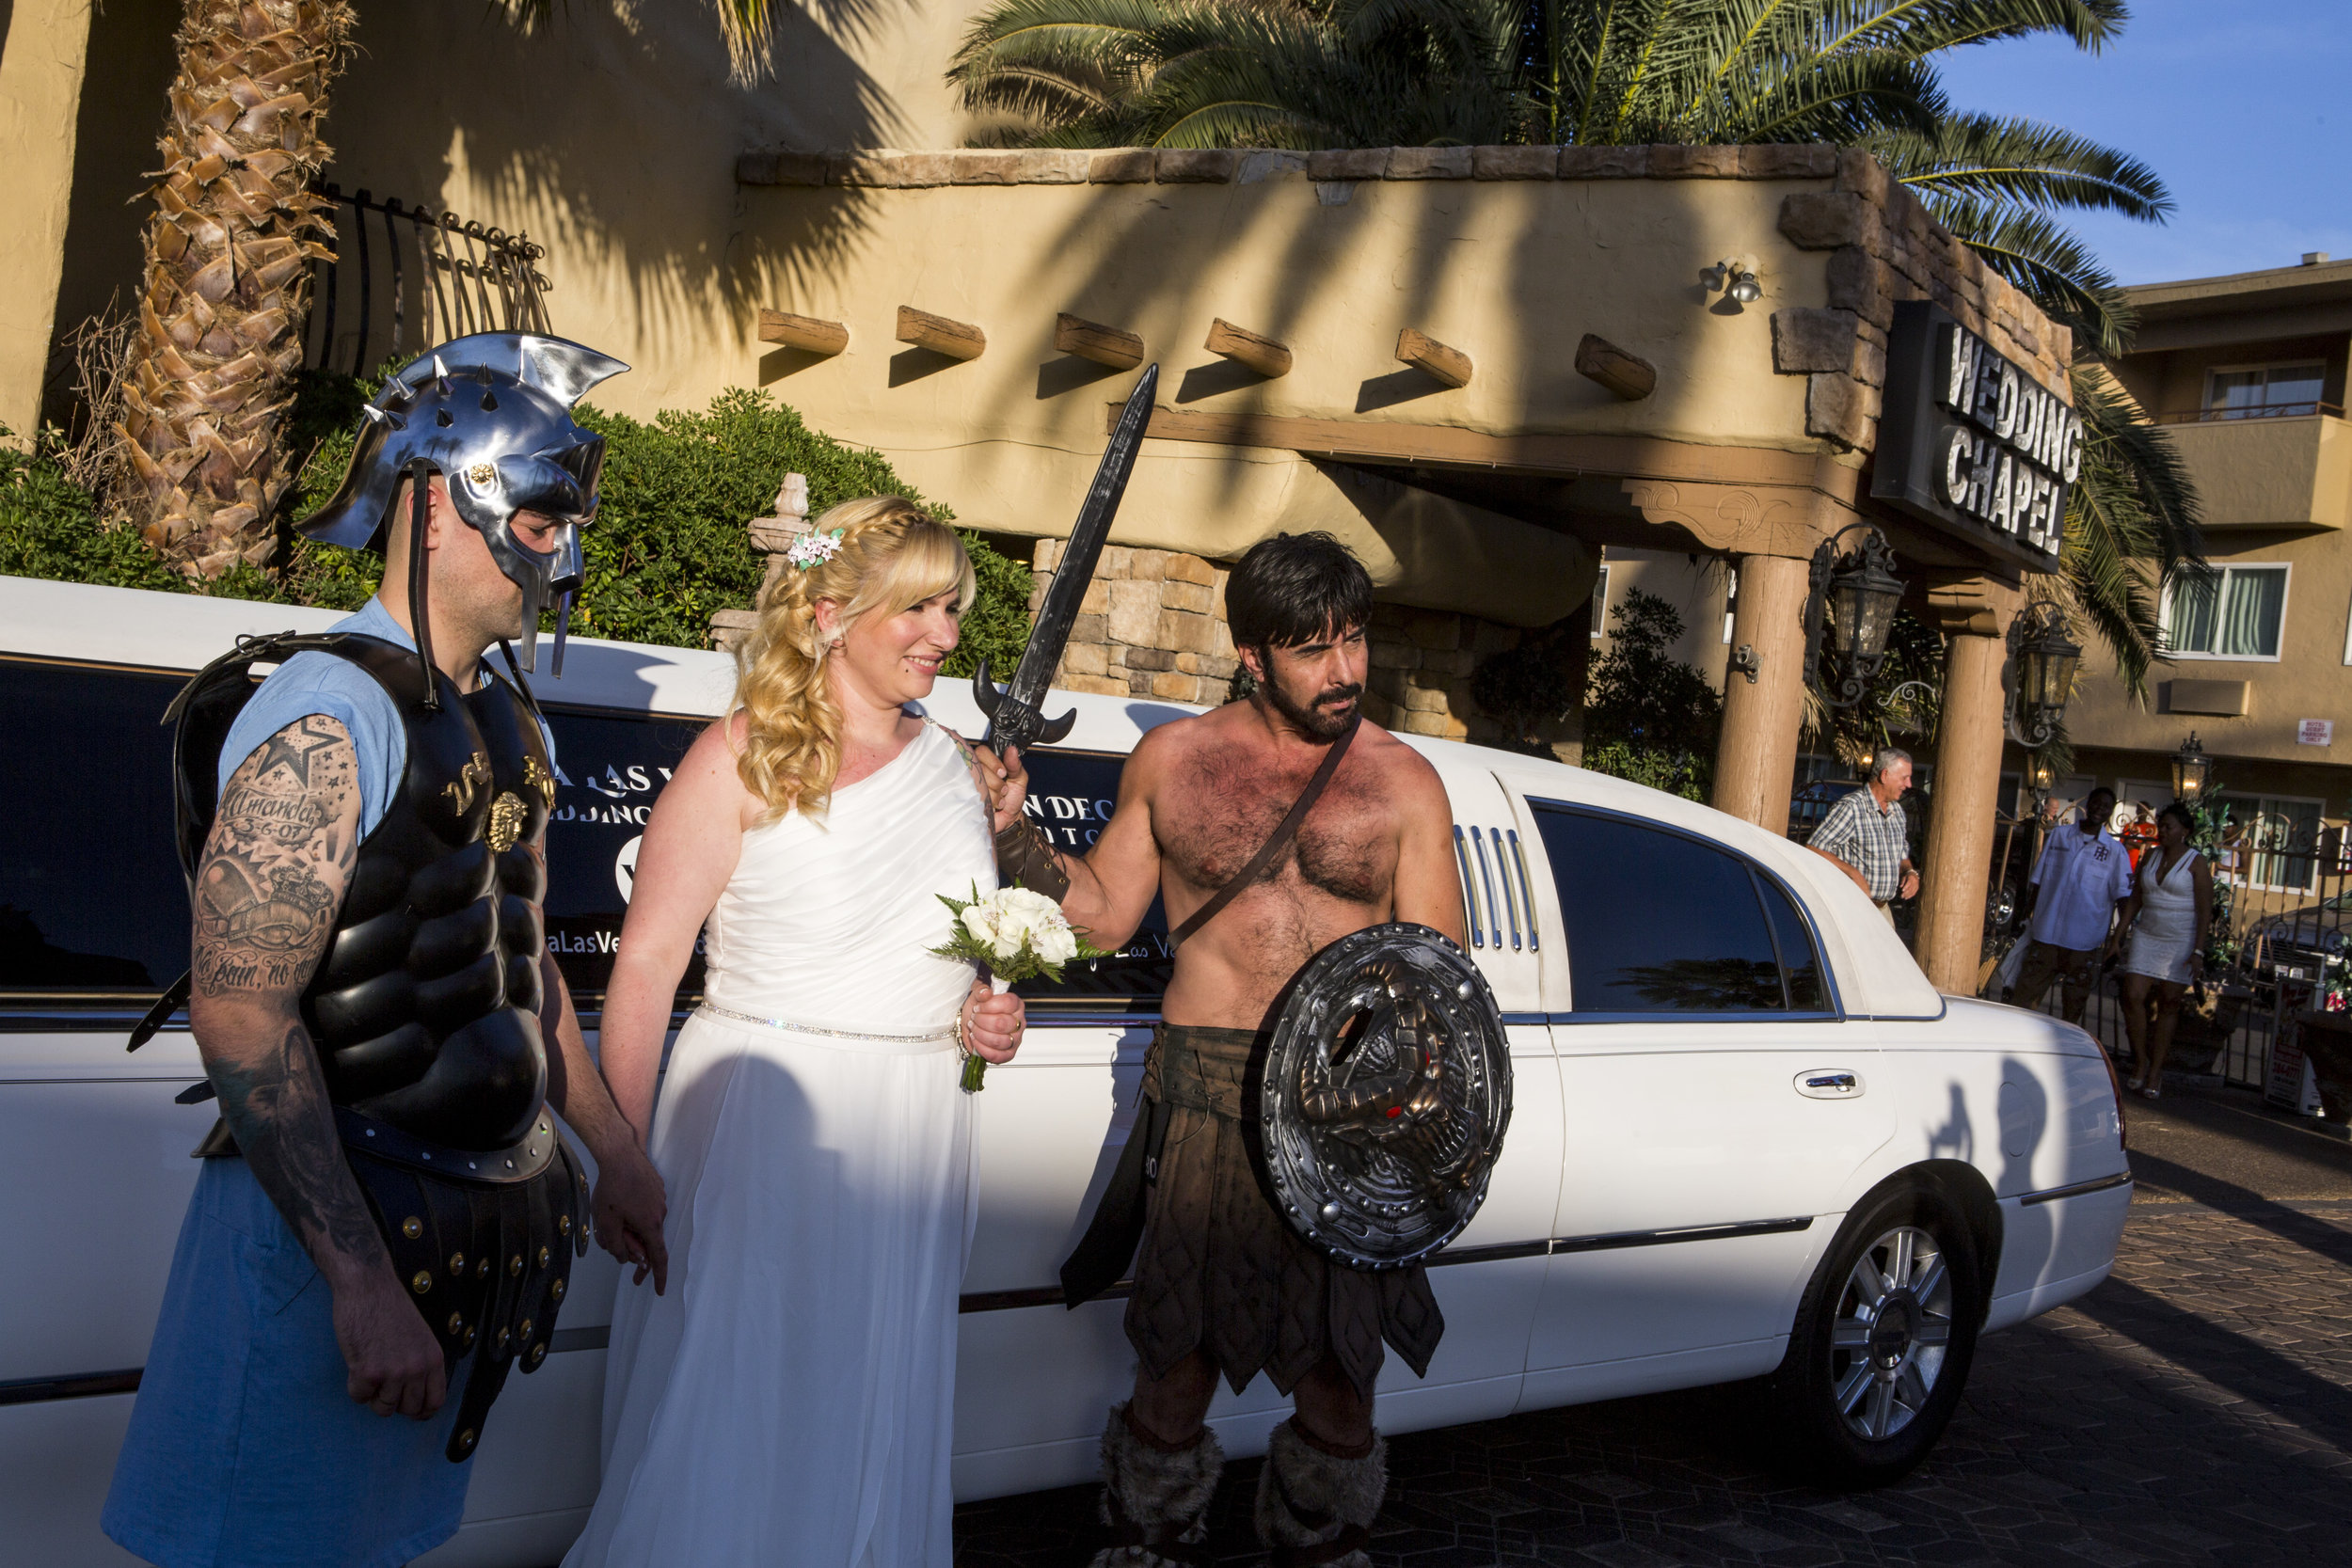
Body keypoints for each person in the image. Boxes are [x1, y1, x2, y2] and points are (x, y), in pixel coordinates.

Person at [104, 334, 668, 1568]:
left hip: (465, 1228)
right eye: (535, 515)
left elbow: (525, 967)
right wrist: (359, 1281)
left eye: (566, 518)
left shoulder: (509, 719)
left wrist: (614, 1148)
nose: (559, 549)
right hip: (330, 1227)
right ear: (436, 497)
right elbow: (243, 1009)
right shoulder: (325, 709)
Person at [977, 531, 1466, 1568]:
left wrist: (1386, 1086)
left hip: (1340, 1115)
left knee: (1340, 1376)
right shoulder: (1174, 761)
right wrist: (1016, 837)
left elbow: (1439, 966)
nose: (1343, 670)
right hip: (1203, 1093)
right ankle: (1147, 1545)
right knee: (1174, 1360)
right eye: (1312, 649)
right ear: (1251, 652)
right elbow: (1106, 914)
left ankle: (1322, 1546)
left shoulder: (1403, 781)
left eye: (1353, 641)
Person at [563, 498, 1025, 1568]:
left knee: (875, 1396)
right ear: (829, 611)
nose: (945, 637)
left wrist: (980, 1016)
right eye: (917, 607)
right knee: (738, 1394)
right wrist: (620, 1153)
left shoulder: (957, 764)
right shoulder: (737, 757)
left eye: (952, 607)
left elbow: (943, 948)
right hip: (758, 1125)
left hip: (912, 1128)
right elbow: (644, 970)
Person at [2112, 800, 2214, 1099]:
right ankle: (2141, 1061)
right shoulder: (2152, 856)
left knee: (2169, 1003)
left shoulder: (2196, 862)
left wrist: (2198, 951)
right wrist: (2118, 937)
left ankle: (2156, 1070)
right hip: (2147, 935)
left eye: (2169, 827)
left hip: (2180, 939)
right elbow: (2135, 900)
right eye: (2161, 826)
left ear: (2185, 831)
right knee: (2132, 996)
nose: (2162, 832)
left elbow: (2205, 911)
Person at [2009, 786, 2135, 1023]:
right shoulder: (2059, 836)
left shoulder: (2115, 852)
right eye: (2096, 803)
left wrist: (2118, 940)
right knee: (2023, 1001)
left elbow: (2123, 899)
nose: (2099, 809)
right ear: (2088, 804)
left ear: (2111, 811)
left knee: (2072, 1009)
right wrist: (2025, 919)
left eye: (2106, 806)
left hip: (2083, 942)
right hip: (2046, 934)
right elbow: (2037, 881)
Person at [1804, 749, 1919, 922]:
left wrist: (1910, 872)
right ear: (1885, 775)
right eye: (1904, 778)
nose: (1909, 784)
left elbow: (1901, 853)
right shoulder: (1852, 807)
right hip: (1853, 909)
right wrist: (1853, 873)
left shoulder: (1897, 811)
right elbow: (1814, 848)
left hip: (1883, 910)